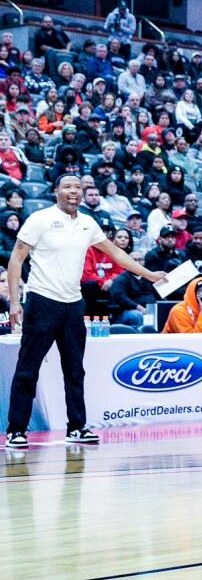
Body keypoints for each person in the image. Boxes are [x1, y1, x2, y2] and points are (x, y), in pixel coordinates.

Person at [5, 175, 165, 449]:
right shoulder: (39, 219)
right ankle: (16, 430)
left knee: (75, 371)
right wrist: (15, 302)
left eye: (78, 188)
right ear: (56, 191)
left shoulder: (88, 223)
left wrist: (148, 274)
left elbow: (116, 253)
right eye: (67, 187)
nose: (73, 192)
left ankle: (77, 427)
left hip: (73, 305)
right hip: (42, 302)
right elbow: (16, 259)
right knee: (28, 369)